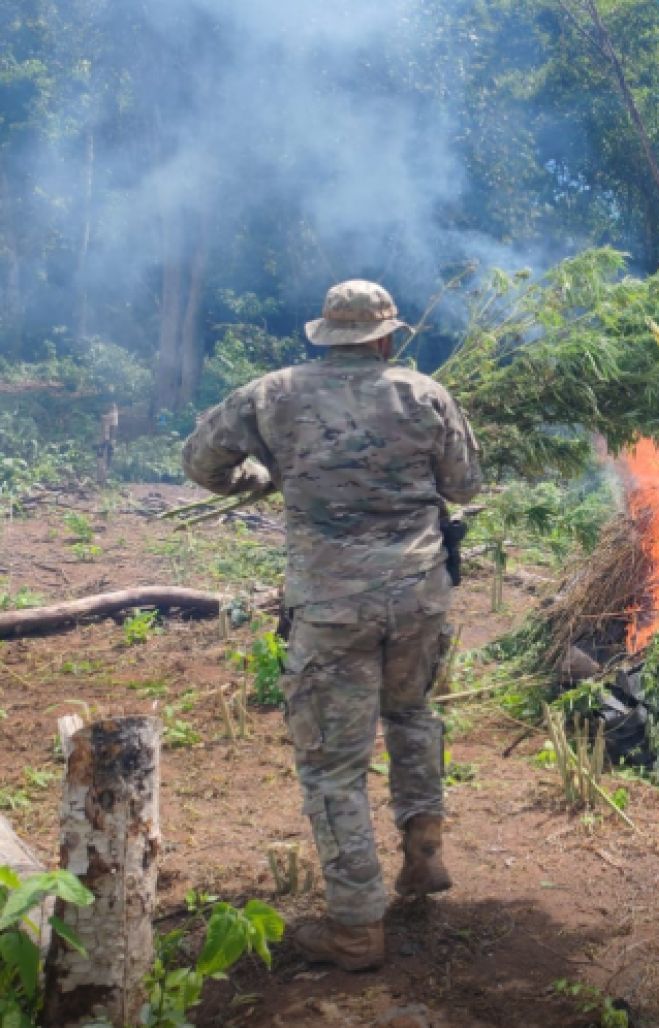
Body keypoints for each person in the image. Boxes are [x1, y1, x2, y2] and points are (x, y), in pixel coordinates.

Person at [182, 280, 483, 971]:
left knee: (333, 767)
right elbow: (465, 486)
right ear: (385, 338)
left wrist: (256, 478)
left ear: (326, 334)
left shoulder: (272, 394)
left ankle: (355, 929)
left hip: (330, 606)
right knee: (411, 714)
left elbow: (201, 461)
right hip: (416, 597)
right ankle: (424, 852)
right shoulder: (425, 394)